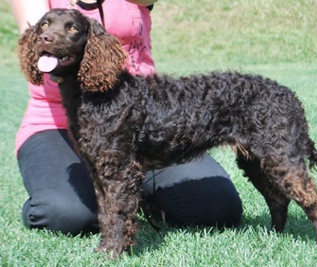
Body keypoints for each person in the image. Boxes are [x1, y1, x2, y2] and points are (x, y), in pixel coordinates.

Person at [11, 0, 243, 235]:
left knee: (215, 209)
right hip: (55, 123)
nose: (49, 34)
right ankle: (65, 194)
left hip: (143, 119)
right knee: (66, 215)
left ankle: (136, 195)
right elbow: (39, 36)